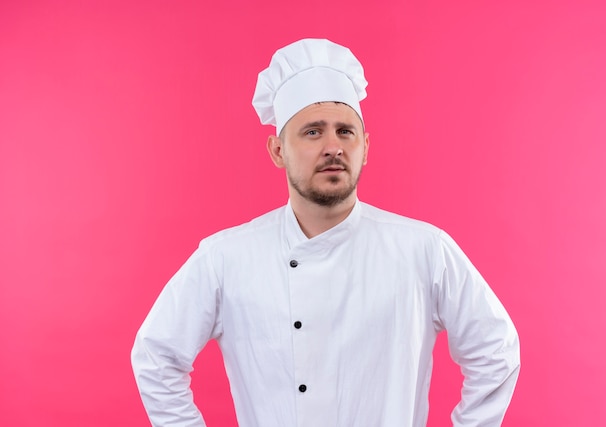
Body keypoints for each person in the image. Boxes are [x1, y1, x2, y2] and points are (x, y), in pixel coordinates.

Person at [131, 38, 520, 427]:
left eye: (345, 131)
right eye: (313, 132)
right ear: (278, 150)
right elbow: (155, 356)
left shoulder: (424, 250)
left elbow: (496, 351)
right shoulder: (226, 258)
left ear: (365, 147)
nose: (333, 146)